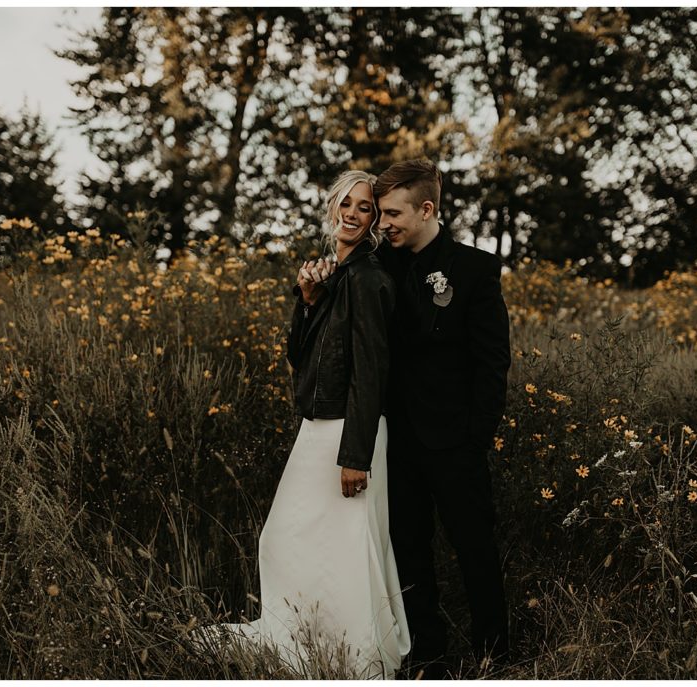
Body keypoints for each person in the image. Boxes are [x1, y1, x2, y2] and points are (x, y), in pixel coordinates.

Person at [189, 170, 410, 679]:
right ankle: (310, 640)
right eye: (347, 204)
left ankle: (357, 655)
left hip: (347, 432)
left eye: (366, 210)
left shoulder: (371, 279)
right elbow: (300, 356)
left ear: (374, 222)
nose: (354, 214)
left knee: (343, 543)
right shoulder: (335, 274)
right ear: (332, 207)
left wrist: (354, 457)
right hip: (319, 424)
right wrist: (307, 301)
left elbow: (372, 371)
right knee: (293, 540)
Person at [374, 159, 511, 678]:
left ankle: (494, 654)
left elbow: (492, 359)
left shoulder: (475, 269)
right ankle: (427, 653)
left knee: (474, 545)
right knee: (408, 549)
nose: (383, 224)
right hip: (395, 439)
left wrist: (477, 435)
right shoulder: (377, 266)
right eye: (381, 213)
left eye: (393, 213)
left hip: (455, 439)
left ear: (427, 209)